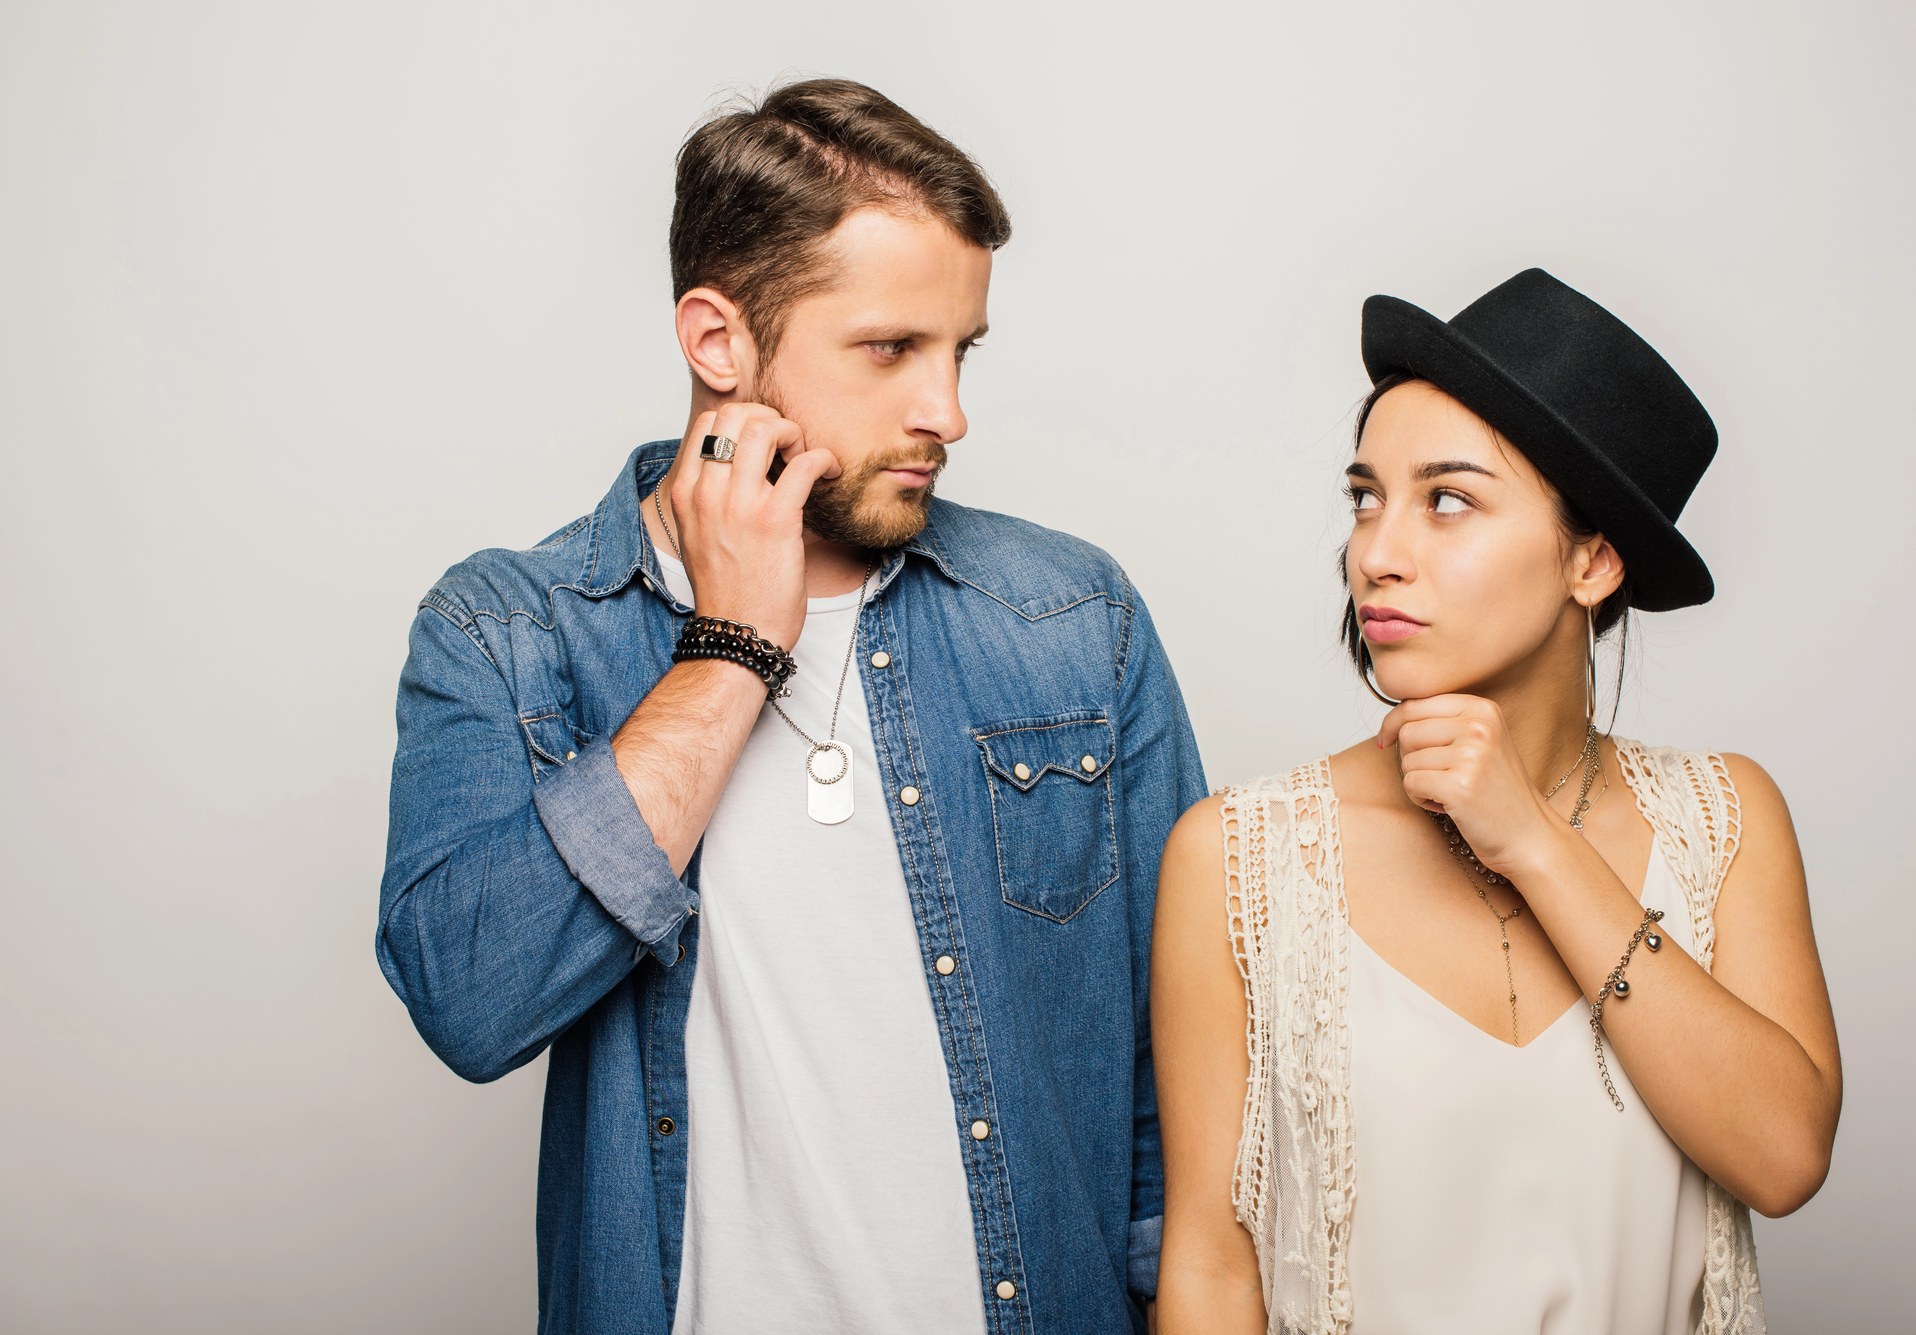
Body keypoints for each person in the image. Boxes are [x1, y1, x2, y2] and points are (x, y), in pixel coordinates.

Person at [375, 78, 1204, 1335]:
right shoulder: (512, 629)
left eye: (959, 351)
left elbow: (1178, 1084)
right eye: (888, 350)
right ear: (717, 340)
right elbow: (471, 1003)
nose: (948, 413)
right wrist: (727, 649)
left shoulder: (1068, 616)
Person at [1151, 269, 1841, 1335]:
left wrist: (1530, 841)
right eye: (1364, 497)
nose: (1375, 554)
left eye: (1447, 500)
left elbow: (1782, 1157)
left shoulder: (1722, 820)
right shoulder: (1238, 857)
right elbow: (1207, 1266)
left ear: (1591, 558)